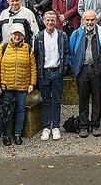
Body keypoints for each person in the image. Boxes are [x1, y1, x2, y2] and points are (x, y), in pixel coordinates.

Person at [68, 10, 101, 138]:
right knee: (83, 99)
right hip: (82, 70)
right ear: (83, 20)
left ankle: (95, 125)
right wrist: (74, 68)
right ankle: (83, 126)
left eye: (92, 19)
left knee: (97, 99)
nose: (89, 22)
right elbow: (71, 53)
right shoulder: (76, 34)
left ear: (96, 20)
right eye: (87, 20)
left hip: (97, 69)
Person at [0, 23, 36, 146]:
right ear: (11, 35)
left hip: (22, 85)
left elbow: (33, 67)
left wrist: (32, 83)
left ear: (23, 36)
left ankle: (17, 134)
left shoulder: (28, 48)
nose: (17, 36)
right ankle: (6, 134)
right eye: (15, 34)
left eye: (20, 34)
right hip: (6, 86)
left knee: (20, 110)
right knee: (7, 110)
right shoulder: (3, 47)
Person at [34, 12, 69, 141]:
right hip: (44, 73)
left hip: (57, 72)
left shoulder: (62, 35)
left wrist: (63, 70)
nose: (50, 23)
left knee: (56, 100)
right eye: (48, 20)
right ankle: (46, 127)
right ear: (43, 21)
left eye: (52, 20)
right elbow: (36, 56)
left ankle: (55, 127)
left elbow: (66, 53)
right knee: (46, 100)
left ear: (56, 21)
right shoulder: (39, 37)